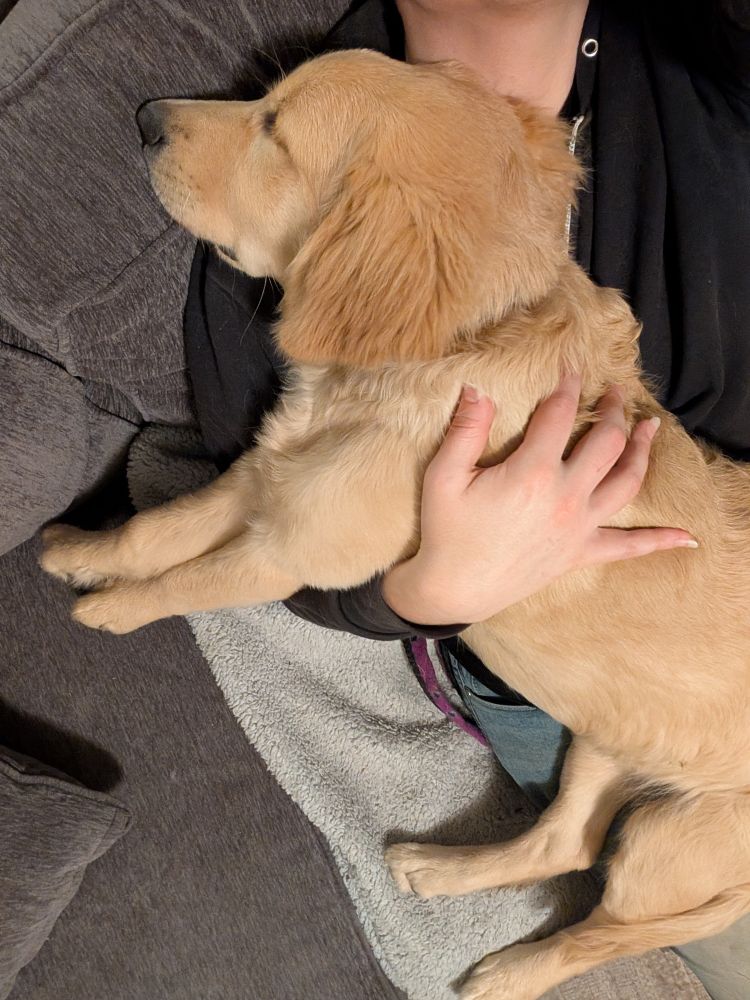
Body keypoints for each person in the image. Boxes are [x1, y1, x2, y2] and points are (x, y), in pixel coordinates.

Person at [183, 2, 750, 997]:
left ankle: (569, 890)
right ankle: (567, 884)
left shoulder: (711, 89)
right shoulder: (305, 141)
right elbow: (267, 521)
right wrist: (429, 590)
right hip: (571, 683)